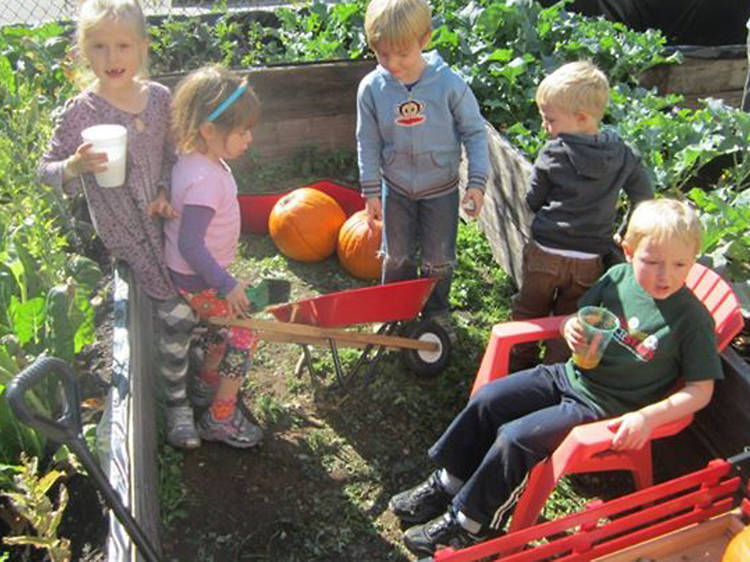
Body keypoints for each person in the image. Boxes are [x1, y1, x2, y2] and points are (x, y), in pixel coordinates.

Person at [389, 198, 722, 556]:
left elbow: (700, 391)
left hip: (606, 408)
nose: (665, 275)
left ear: (694, 259)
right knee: (489, 400)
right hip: (569, 375)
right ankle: (448, 482)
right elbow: (578, 317)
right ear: (628, 252)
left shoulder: (693, 320)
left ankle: (472, 524)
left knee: (516, 438)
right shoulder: (617, 279)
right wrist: (570, 329)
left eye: (680, 264)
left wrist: (646, 417)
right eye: (652, 261)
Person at [37, 0, 201, 449]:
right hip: (124, 231)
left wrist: (166, 192)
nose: (113, 58)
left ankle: (188, 361)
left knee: (190, 298)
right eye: (100, 46)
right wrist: (73, 165)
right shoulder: (81, 112)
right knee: (175, 311)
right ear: (83, 52)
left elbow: (171, 157)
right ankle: (178, 406)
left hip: (164, 222)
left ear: (142, 47)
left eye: (123, 45)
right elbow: (44, 171)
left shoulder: (161, 99)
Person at [356, 0, 490, 342]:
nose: (393, 64)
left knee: (439, 258)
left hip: (441, 189)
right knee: (396, 254)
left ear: (425, 39)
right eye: (382, 54)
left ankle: (436, 311)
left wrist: (476, 182)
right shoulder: (372, 88)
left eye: (402, 53)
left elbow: (475, 132)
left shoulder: (449, 85)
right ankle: (393, 310)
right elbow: (367, 140)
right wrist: (371, 190)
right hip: (395, 188)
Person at [510, 60, 653, 371]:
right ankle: (554, 369)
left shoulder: (554, 153)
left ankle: (519, 364)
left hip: (546, 252)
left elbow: (533, 199)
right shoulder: (623, 154)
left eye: (550, 120)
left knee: (529, 310)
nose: (546, 127)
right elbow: (643, 195)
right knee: (571, 318)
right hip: (590, 258)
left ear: (581, 118)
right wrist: (626, 230)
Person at [163, 64, 263, 448]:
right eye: (241, 131)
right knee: (243, 329)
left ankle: (206, 384)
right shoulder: (204, 180)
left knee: (224, 327)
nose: (249, 138)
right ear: (208, 130)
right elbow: (191, 244)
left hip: (196, 277)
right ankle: (220, 416)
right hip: (198, 279)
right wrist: (227, 283)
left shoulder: (192, 159)